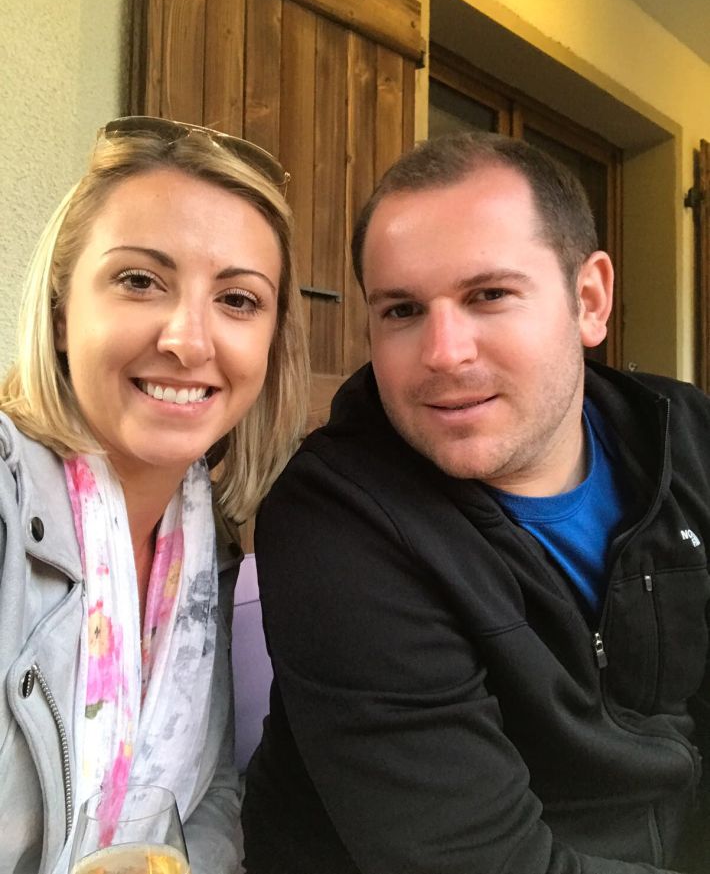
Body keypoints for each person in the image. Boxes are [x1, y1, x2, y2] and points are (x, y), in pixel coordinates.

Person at [242, 131, 710, 874]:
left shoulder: (687, 440)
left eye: (488, 294)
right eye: (401, 311)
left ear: (589, 300)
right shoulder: (336, 515)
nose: (444, 352)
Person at [0, 116, 308, 874]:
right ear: (64, 311)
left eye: (238, 300)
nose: (188, 339)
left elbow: (203, 793)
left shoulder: (206, 541)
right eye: (140, 280)